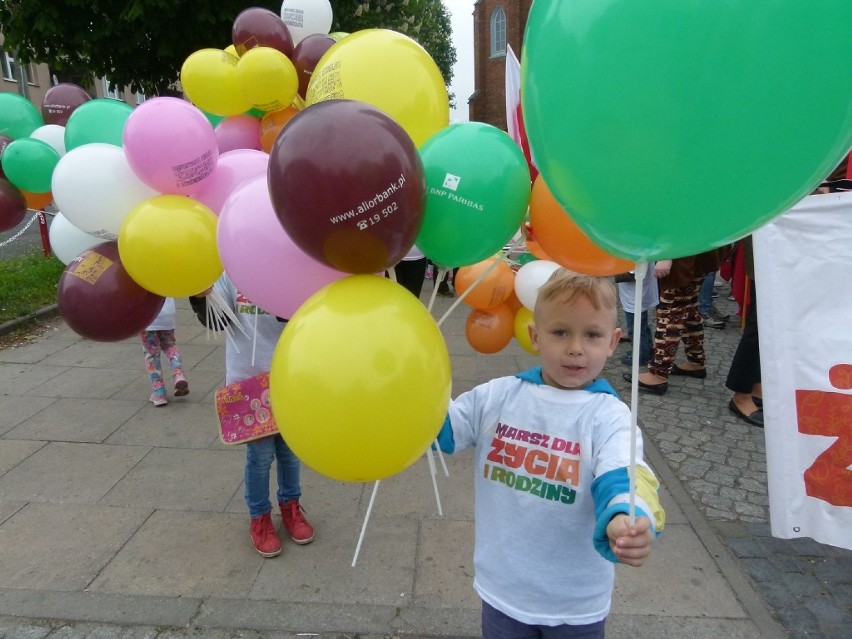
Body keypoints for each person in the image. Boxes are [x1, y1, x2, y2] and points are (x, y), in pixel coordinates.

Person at [436, 268, 664, 638]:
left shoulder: (608, 416)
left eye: (592, 334)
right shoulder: (497, 395)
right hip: (503, 590)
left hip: (575, 603)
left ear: (613, 341)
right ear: (535, 335)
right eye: (560, 332)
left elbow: (623, 473)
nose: (576, 347)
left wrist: (627, 516)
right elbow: (445, 430)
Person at [190, 275, 314, 557]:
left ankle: (291, 506)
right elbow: (216, 322)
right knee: (260, 456)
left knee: (290, 450)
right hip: (247, 379)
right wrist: (200, 296)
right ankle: (260, 516)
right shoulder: (228, 270)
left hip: (289, 373)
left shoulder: (290, 263)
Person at [626, 249, 724, 395]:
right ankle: (696, 360)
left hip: (682, 257)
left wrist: (667, 256)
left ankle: (659, 372)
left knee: (671, 310)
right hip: (697, 253)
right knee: (689, 307)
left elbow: (680, 225)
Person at [725, 237, 763, 427]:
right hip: (771, 248)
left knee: (765, 325)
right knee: (759, 325)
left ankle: (755, 385)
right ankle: (741, 393)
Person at [140, 297, 188, 407]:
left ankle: (159, 392)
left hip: (147, 317)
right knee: (170, 346)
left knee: (151, 355)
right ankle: (178, 374)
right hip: (167, 315)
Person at [615, 262, 658, 367]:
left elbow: (632, 274)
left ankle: (640, 356)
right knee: (642, 324)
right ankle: (647, 350)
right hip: (636, 295)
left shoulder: (634, 251)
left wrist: (611, 271)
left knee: (636, 328)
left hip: (635, 296)